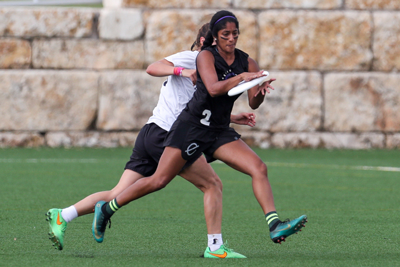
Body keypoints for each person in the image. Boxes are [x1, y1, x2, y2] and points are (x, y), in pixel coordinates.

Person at [93, 9, 307, 257]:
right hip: (191, 128)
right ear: (215, 36)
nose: (231, 38)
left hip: (217, 130)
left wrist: (259, 92)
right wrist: (241, 78)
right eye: (225, 34)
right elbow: (214, 89)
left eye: (235, 33)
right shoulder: (205, 56)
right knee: (159, 180)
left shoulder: (247, 62)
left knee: (258, 168)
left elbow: (252, 103)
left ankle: (274, 225)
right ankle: (107, 209)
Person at [46, 23, 254, 258]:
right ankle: (215, 247)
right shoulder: (193, 58)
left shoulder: (209, 68)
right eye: (221, 40)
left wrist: (233, 118)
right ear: (208, 42)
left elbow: (198, 109)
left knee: (118, 191)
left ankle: (64, 215)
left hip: (152, 132)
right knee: (212, 184)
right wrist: (182, 71)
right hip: (168, 135)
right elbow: (153, 67)